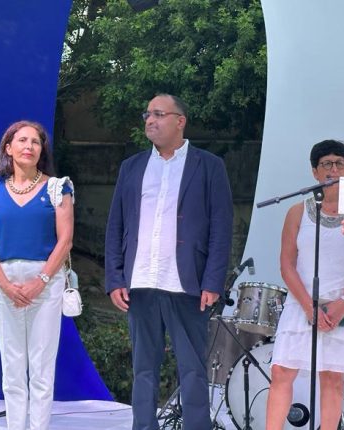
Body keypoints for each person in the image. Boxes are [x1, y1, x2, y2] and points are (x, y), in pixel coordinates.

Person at [105, 93, 233, 430]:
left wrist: (213, 281)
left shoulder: (209, 166)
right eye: (147, 114)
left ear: (180, 121)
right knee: (143, 369)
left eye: (159, 114)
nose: (150, 120)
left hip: (188, 284)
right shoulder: (131, 167)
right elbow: (116, 225)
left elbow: (221, 227)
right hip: (140, 282)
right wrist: (115, 278)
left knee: (193, 370)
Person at [266, 140, 344, 430]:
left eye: (340, 163)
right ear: (315, 172)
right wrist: (308, 307)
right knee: (281, 371)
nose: (334, 169)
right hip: (302, 303)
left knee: (332, 377)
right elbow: (287, 265)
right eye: (326, 164)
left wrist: (342, 304)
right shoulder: (297, 212)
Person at [0, 120, 74, 430]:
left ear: (41, 150)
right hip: (4, 282)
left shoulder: (58, 188)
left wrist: (40, 281)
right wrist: (5, 285)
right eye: (22, 140)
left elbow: (65, 241)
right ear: (8, 148)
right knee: (12, 366)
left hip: (46, 281)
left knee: (42, 365)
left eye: (35, 142)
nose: (29, 146)